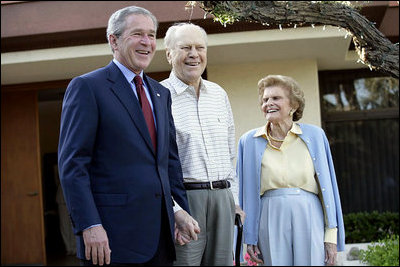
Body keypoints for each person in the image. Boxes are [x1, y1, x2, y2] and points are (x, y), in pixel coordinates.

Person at [58, 6, 200, 266]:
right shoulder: (88, 87)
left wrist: (178, 212)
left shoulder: (160, 93)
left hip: (160, 237)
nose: (146, 42)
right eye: (137, 34)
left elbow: (169, 163)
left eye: (151, 35)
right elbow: (73, 166)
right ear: (114, 40)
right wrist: (90, 224)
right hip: (110, 240)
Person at [236, 75, 345, 266]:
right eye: (265, 100)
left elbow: (328, 188)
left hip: (309, 211)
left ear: (293, 105)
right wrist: (249, 236)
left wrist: (331, 236)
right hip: (269, 213)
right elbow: (243, 192)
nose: (268, 103)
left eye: (275, 98)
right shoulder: (248, 141)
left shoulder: (315, 136)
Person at [160, 22, 245, 266]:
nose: (194, 54)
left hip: (222, 199)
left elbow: (230, 154)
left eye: (200, 47)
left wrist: (234, 200)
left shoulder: (219, 94)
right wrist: (175, 210)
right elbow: (157, 165)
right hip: (185, 200)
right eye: (185, 47)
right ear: (169, 54)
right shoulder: (158, 96)